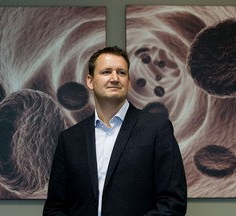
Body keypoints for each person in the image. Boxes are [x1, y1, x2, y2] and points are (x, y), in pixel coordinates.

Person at [43, 46, 187, 216]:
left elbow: (172, 202)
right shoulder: (69, 139)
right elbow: (54, 207)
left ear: (129, 82)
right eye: (106, 72)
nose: (114, 78)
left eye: (121, 73)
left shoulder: (156, 129)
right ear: (90, 81)